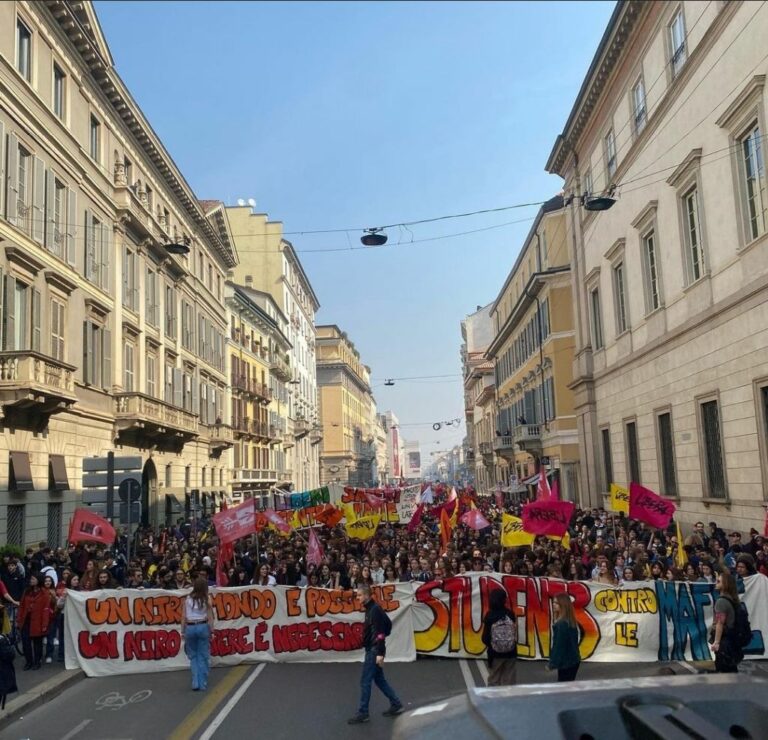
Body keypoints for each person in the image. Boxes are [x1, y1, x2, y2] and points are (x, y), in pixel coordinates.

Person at [348, 583, 403, 725]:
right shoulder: (371, 609)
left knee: (365, 681)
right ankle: (396, 703)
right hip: (373, 649)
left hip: (374, 651)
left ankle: (363, 712)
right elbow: (387, 626)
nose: (357, 597)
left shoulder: (374, 610)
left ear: (367, 595)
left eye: (359, 595)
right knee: (379, 679)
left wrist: (380, 653)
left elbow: (381, 633)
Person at [181, 578, 214, 691]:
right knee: (203, 655)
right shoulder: (207, 598)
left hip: (190, 627)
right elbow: (210, 616)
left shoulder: (188, 599)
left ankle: (195, 681)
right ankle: (202, 681)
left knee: (193, 655)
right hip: (202, 625)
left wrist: (182, 631)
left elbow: (183, 616)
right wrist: (212, 630)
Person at [17, 575, 54, 671]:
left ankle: (37, 662)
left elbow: (46, 610)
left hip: (38, 621)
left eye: (33, 579)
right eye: (31, 578)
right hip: (26, 621)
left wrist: (44, 624)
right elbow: (21, 606)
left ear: (38, 580)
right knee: (26, 643)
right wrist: (19, 619)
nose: (31, 580)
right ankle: (28, 662)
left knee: (37, 643)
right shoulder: (27, 591)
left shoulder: (44, 593)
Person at [481, 589, 517, 686]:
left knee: (494, 680)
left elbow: (485, 638)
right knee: (509, 680)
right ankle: (508, 695)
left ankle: (494, 696)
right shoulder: (510, 614)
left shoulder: (490, 615)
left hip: (495, 653)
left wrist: (493, 644)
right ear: (504, 600)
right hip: (511, 652)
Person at [710, 570, 743, 673]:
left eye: (719, 581)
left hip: (725, 642)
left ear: (726, 585)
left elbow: (720, 623)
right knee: (731, 670)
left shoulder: (721, 601)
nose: (716, 583)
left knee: (723, 671)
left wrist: (716, 642)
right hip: (732, 639)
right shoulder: (732, 599)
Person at [548, 593, 580, 682]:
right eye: (553, 602)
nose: (553, 604)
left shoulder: (561, 624)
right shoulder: (570, 621)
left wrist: (552, 664)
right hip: (573, 660)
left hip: (566, 662)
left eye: (556, 603)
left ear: (563, 605)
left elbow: (558, 645)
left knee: (563, 685)